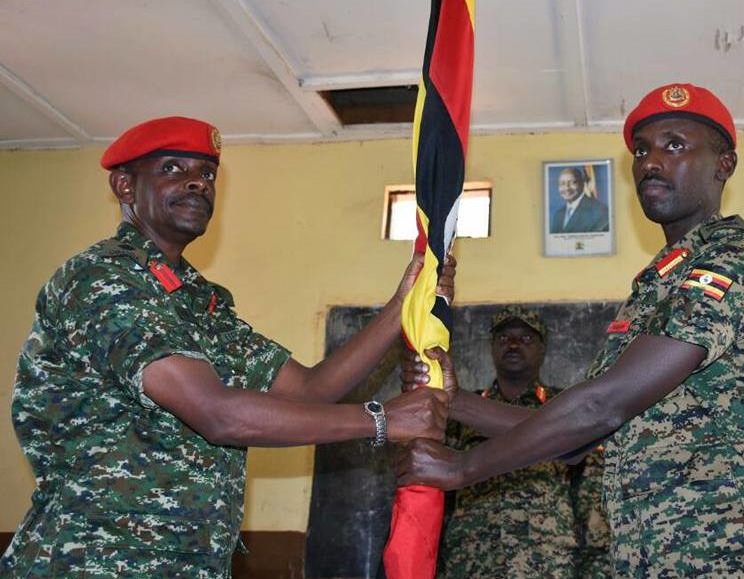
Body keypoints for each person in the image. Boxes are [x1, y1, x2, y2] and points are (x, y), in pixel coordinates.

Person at [398, 84, 744, 577]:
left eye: (674, 145)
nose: (651, 162)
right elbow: (576, 436)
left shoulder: (733, 261)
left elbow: (600, 406)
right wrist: (454, 401)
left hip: (742, 552)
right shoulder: (656, 286)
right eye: (641, 151)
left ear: (724, 164)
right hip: (660, 556)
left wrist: (461, 467)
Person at [1, 116, 453, 578]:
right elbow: (217, 414)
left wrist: (402, 304)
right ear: (125, 186)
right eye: (173, 168)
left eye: (207, 173)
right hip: (92, 562)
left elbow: (310, 390)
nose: (198, 182)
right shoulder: (103, 278)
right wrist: (381, 420)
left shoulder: (199, 299)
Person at [427, 306, 611, 579]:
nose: (513, 345)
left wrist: (595, 569)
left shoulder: (562, 411)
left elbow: (591, 498)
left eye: (525, 338)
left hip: (546, 564)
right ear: (491, 347)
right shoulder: (460, 415)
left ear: (542, 349)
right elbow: (439, 495)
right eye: (504, 338)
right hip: (471, 562)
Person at [550, 167, 609, 233]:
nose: (567, 188)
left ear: (582, 184)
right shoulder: (559, 214)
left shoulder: (599, 210)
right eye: (562, 184)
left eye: (573, 182)